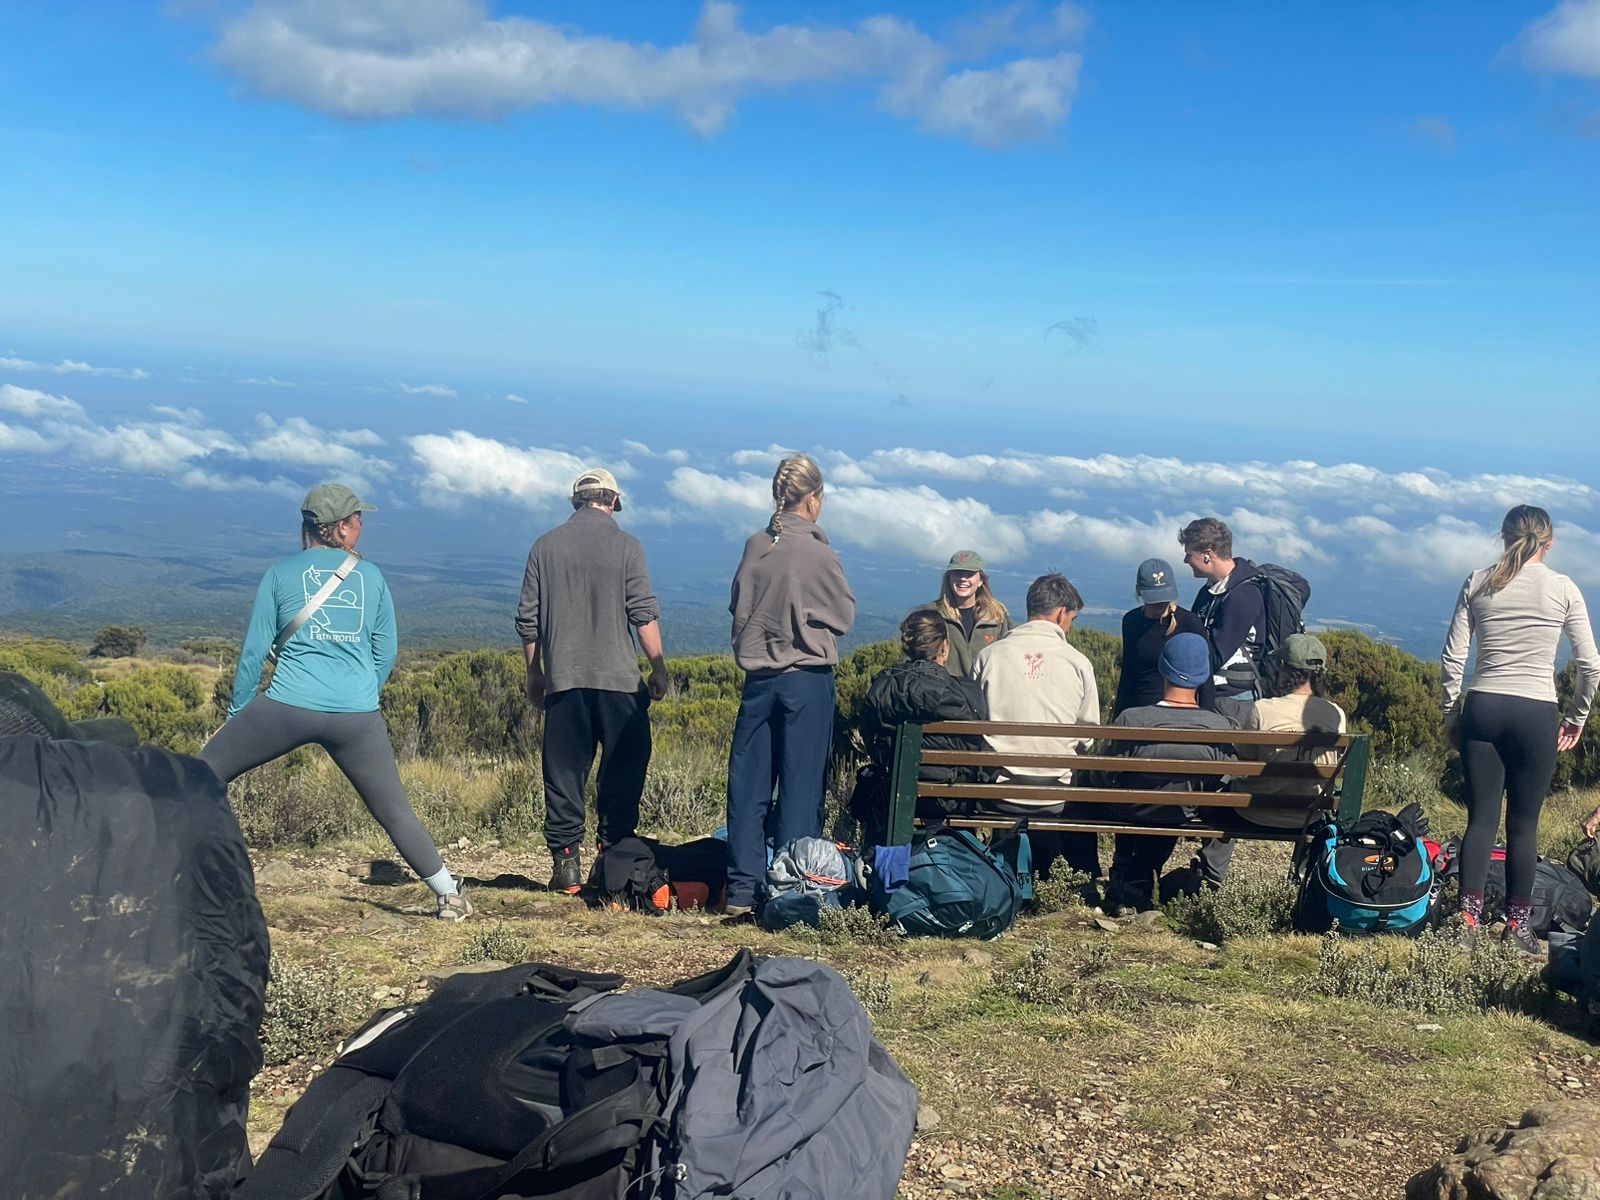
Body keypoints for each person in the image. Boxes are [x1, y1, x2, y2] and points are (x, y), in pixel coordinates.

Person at [201, 483, 470, 921]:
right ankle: (449, 895)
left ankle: (180, 866)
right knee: (395, 812)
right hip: (356, 717)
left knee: (203, 774)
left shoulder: (280, 573)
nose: (362, 526)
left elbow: (253, 654)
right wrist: (361, 692)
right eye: (358, 520)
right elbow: (386, 651)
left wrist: (237, 716)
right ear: (340, 529)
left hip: (287, 705)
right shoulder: (372, 576)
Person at [1441, 504, 1600, 954]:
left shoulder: (1477, 581)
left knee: (1480, 819)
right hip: (1536, 713)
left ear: (1504, 535)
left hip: (1484, 706)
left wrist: (1452, 715)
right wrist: (1577, 716)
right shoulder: (1563, 588)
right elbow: (1590, 665)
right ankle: (1517, 928)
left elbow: (1453, 658)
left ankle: (1467, 922)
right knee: (1524, 825)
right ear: (1550, 543)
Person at [516, 467, 669, 895]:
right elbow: (643, 614)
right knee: (623, 770)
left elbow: (528, 621)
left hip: (565, 681)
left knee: (564, 773)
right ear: (614, 501)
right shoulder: (628, 546)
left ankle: (566, 864)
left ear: (576, 501)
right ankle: (614, 858)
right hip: (620, 682)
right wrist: (658, 668)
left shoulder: (544, 546)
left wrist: (534, 672)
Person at [725, 453, 855, 917]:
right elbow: (843, 615)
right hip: (806, 681)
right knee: (800, 790)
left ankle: (741, 891)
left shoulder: (755, 546)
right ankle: (791, 890)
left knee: (748, 788)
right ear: (814, 499)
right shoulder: (817, 553)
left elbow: (737, 605)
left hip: (759, 680)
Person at [971, 572, 1101, 881]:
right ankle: (1080, 877)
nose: (1069, 627)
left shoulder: (989, 657)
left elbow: (974, 725)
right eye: (1071, 620)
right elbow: (1088, 736)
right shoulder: (1078, 662)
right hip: (1057, 793)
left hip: (1000, 792)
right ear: (1060, 614)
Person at [1096, 632, 1238, 913]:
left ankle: (1121, 877)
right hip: (1184, 810)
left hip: (1131, 809)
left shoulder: (1132, 719)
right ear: (1203, 676)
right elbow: (1227, 780)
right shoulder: (1219, 727)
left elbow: (1103, 772)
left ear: (1162, 668)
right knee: (1175, 799)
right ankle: (1155, 880)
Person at [856, 608, 990, 844]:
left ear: (907, 646)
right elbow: (976, 748)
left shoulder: (883, 687)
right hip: (952, 801)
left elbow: (872, 744)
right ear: (945, 647)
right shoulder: (966, 693)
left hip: (894, 797)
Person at [1113, 557, 1216, 716]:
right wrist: (1118, 718)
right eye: (1153, 599)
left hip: (1182, 714)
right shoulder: (1131, 621)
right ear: (1139, 591)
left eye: (1164, 598)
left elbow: (1206, 680)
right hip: (1139, 715)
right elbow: (1128, 675)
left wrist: (1207, 719)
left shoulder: (1190, 623)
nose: (1159, 605)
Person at [1180, 517, 1266, 701]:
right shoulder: (1210, 589)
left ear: (1207, 555)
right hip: (1213, 691)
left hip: (1232, 698)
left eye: (1189, 554)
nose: (1185, 560)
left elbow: (1216, 656)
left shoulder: (1243, 596)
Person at [933, 550, 1013, 677]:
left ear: (981, 580)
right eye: (958, 573)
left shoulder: (997, 617)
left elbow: (1011, 655)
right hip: (946, 688)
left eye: (969, 574)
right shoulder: (933, 616)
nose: (963, 579)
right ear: (949, 578)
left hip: (985, 688)